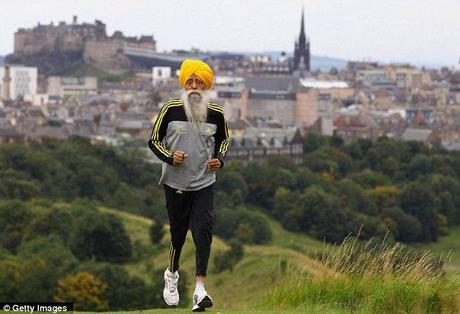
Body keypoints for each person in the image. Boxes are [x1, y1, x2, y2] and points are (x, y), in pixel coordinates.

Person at [147, 59, 230, 312]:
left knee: (203, 232)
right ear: (184, 84)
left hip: (204, 182)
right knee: (178, 234)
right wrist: (170, 157)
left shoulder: (216, 112)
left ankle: (200, 290)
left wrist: (220, 161)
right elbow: (153, 140)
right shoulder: (170, 108)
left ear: (206, 87)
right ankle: (171, 274)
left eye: (199, 83)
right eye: (190, 82)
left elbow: (223, 141)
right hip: (175, 183)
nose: (194, 87)